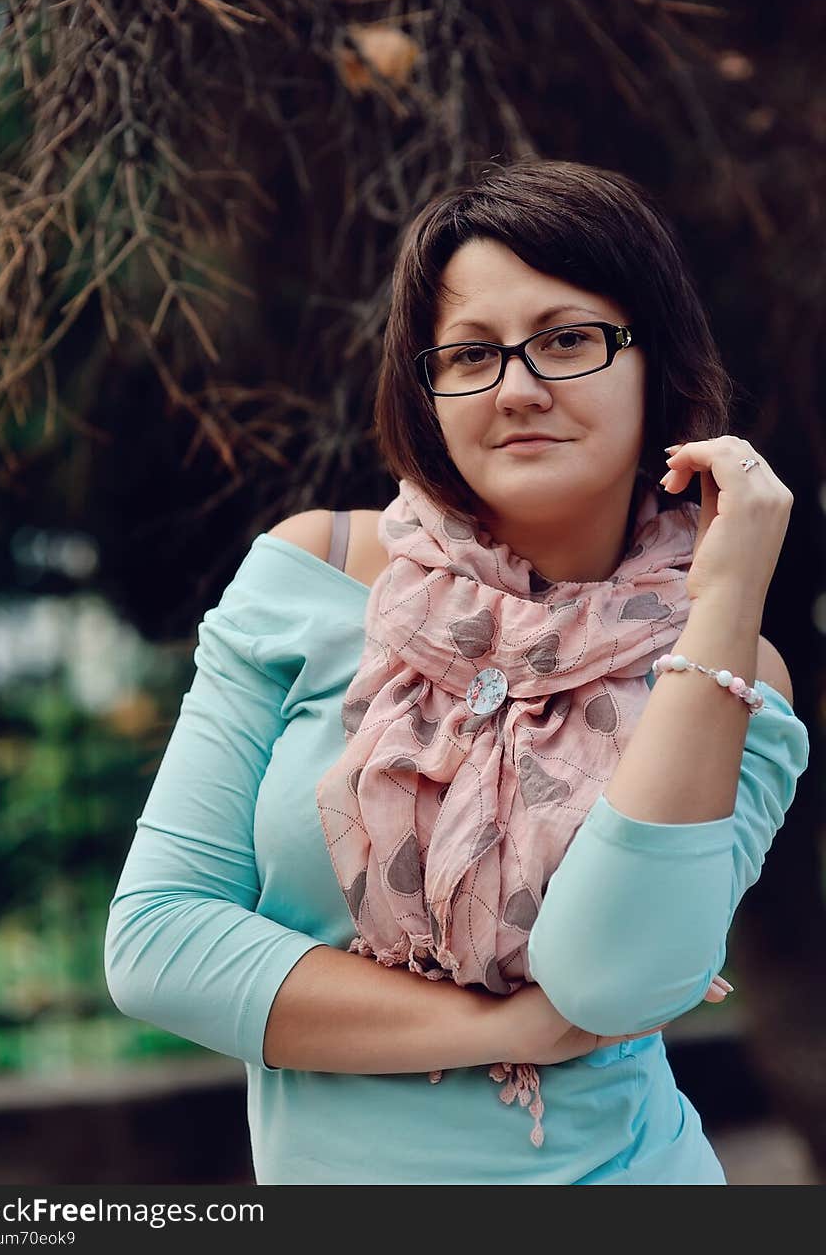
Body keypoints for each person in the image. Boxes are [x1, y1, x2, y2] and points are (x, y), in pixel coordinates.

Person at [104, 159, 810, 1185]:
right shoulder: (313, 577)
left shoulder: (730, 670)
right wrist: (507, 1027)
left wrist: (726, 601)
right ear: (425, 388)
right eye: (471, 353)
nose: (517, 390)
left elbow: (612, 982)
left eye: (567, 340)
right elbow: (158, 945)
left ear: (652, 358)